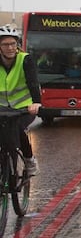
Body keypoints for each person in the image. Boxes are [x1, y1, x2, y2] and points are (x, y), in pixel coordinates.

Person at [0, 24, 41, 176]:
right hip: (2, 108)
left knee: (17, 128)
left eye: (13, 44)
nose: (10, 48)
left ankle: (29, 160)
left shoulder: (25, 60)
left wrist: (36, 102)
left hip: (24, 108)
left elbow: (33, 82)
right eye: (5, 44)